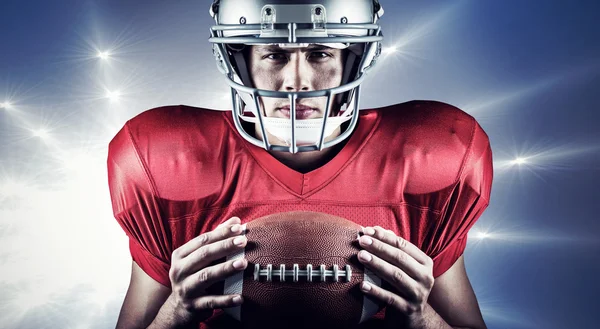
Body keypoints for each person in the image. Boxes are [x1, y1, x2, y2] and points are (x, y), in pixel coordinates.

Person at [107, 1, 493, 328]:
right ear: (237, 60)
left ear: (354, 56)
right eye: (274, 53)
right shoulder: (165, 158)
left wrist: (423, 318)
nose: (297, 80)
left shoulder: (432, 156)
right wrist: (175, 313)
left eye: (320, 52)